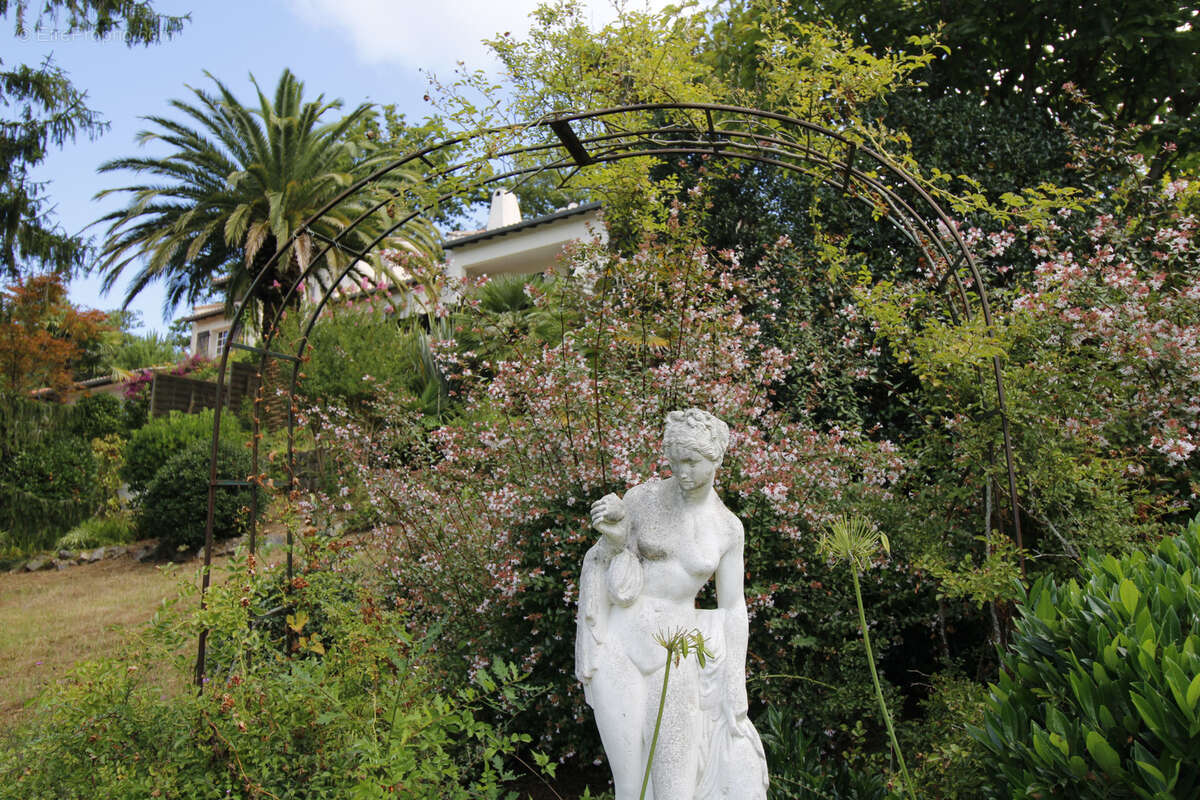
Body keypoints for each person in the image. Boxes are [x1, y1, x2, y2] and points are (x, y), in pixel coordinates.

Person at [575, 409, 768, 800]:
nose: (682, 472)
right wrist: (613, 539)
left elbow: (733, 607)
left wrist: (735, 682)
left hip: (677, 652)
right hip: (621, 644)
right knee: (630, 787)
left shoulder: (727, 527)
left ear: (716, 458)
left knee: (675, 786)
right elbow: (618, 580)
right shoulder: (642, 499)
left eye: (692, 462)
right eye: (675, 461)